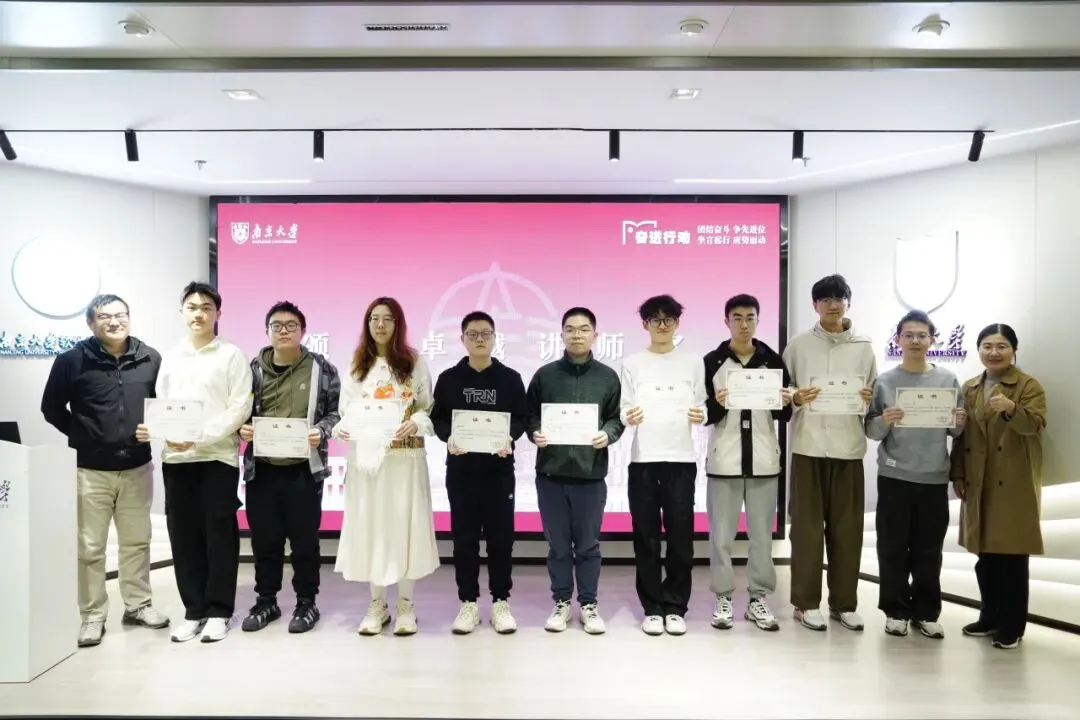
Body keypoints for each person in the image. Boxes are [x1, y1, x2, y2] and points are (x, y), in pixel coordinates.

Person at [41, 294, 169, 648]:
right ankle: (93, 615)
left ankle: (138, 605)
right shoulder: (72, 361)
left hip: (137, 467)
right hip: (90, 471)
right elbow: (51, 408)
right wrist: (84, 435)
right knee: (90, 547)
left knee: (137, 542)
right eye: (104, 316)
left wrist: (155, 428)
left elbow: (163, 406)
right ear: (91, 323)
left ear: (129, 317)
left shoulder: (150, 358)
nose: (114, 321)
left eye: (120, 314)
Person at [138, 282, 253, 643]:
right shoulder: (171, 357)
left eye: (206, 307)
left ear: (218, 313)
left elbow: (239, 408)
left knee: (218, 536)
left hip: (217, 457)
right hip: (177, 457)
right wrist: (164, 432)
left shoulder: (231, 356)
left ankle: (219, 611)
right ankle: (193, 611)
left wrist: (199, 435)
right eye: (192, 307)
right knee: (183, 535)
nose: (199, 313)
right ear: (182, 312)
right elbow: (162, 402)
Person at [332, 297, 439, 636]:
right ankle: (377, 604)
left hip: (405, 459)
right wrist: (341, 428)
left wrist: (417, 421)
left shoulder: (413, 362)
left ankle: (406, 605)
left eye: (387, 319)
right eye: (374, 318)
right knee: (373, 527)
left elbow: (427, 407)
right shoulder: (356, 364)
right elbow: (346, 410)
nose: (380, 325)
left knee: (405, 527)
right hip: (368, 461)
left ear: (398, 324)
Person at [237, 301, 341, 635]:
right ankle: (266, 601)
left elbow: (336, 412)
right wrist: (242, 428)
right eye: (277, 325)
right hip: (263, 470)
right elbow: (237, 411)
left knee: (304, 542)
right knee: (264, 541)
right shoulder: (251, 370)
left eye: (291, 325)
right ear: (267, 331)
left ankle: (306, 602)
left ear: (303, 331)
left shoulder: (322, 369)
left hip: (304, 470)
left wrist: (322, 430)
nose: (284, 331)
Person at [783, 274, 876, 632]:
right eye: (825, 299)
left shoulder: (864, 347)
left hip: (849, 449)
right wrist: (795, 396)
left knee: (847, 532)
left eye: (839, 298)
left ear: (848, 303)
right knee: (806, 532)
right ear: (815, 305)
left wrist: (867, 399)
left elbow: (873, 397)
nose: (833, 305)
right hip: (808, 447)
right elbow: (783, 390)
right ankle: (806, 604)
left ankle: (844, 603)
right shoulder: (799, 344)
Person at [865, 310, 966, 639]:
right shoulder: (884, 381)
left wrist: (959, 421)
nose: (915, 341)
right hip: (894, 476)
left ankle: (926, 612)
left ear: (932, 340)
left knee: (928, 551)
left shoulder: (948, 380)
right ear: (898, 340)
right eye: (908, 335)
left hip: (933, 477)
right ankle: (895, 611)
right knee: (892, 548)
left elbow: (956, 431)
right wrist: (885, 420)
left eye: (922, 335)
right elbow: (871, 430)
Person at [526, 307, 625, 635]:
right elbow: (530, 415)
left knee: (587, 546)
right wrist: (535, 432)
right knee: (557, 546)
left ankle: (589, 604)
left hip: (590, 475)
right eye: (570, 329)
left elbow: (616, 418)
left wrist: (607, 434)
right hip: (551, 475)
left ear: (595, 335)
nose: (577, 335)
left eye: (584, 329)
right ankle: (561, 602)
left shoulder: (607, 377)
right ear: (562, 335)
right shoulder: (545, 375)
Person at [430, 311, 527, 635]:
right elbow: (438, 419)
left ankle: (500, 602)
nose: (480, 339)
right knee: (464, 541)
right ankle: (468, 603)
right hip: (461, 472)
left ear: (495, 338)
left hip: (499, 473)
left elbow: (522, 417)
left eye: (486, 333)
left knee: (501, 541)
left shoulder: (510, 379)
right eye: (473, 334)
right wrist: (449, 438)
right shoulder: (449, 379)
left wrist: (509, 436)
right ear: (463, 339)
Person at [951, 324, 1046, 650]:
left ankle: (1012, 626)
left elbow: (1035, 425)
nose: (994, 352)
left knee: (1012, 560)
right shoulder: (969, 387)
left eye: (1002, 346)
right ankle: (989, 617)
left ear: (1014, 350)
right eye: (987, 346)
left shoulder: (1028, 386)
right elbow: (961, 437)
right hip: (978, 480)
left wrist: (1012, 410)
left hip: (1013, 483)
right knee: (986, 557)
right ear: (979, 350)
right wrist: (958, 475)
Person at [702, 294, 792, 632]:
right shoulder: (712, 361)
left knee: (761, 538)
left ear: (758, 320)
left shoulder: (772, 360)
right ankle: (723, 597)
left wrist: (786, 400)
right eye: (737, 317)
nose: (744, 324)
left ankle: (758, 598)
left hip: (764, 460)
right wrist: (717, 403)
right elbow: (702, 413)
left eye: (750, 317)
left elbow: (784, 414)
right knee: (721, 537)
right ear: (726, 321)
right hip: (724, 460)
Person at [619, 295, 706, 636]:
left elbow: (701, 404)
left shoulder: (692, 362)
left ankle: (676, 606)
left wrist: (702, 414)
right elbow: (624, 408)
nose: (662, 325)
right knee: (646, 537)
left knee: (681, 537)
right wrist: (629, 415)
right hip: (644, 459)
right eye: (655, 319)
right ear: (645, 325)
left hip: (681, 459)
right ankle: (653, 607)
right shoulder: (632, 363)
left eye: (668, 319)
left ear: (677, 323)